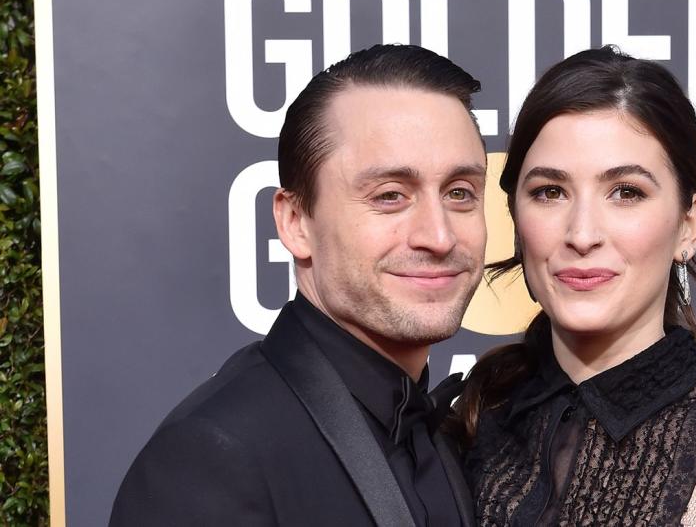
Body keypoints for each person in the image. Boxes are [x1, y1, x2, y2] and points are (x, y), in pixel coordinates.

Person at [453, 47, 696, 526]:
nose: (581, 234)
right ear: (515, 217)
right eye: (549, 192)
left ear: (688, 226)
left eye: (626, 192)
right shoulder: (472, 426)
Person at [110, 44, 487, 526]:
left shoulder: (457, 438)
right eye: (390, 196)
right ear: (295, 222)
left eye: (459, 193)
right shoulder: (211, 458)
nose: (438, 235)